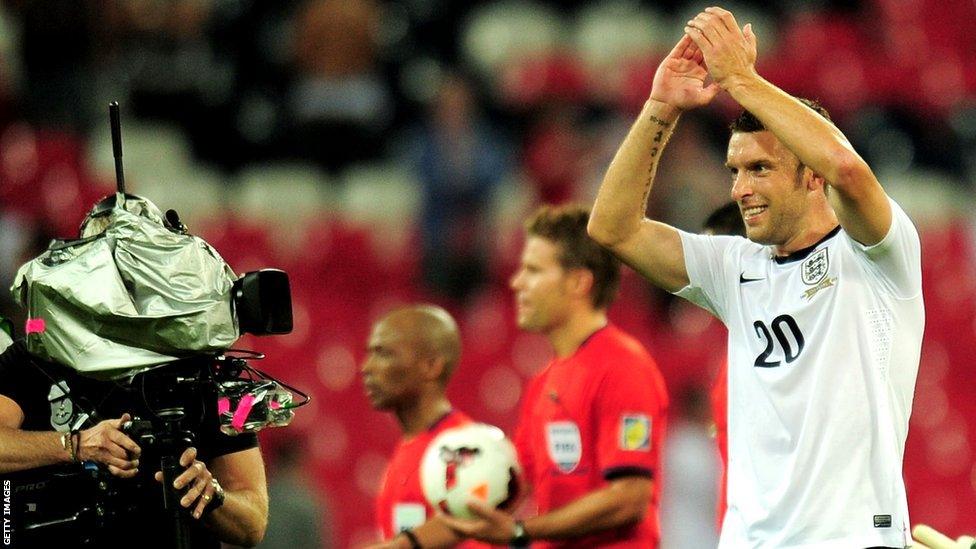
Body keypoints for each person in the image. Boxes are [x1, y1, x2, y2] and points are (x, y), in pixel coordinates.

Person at [588, 7, 923, 548]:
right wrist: (661, 108)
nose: (739, 188)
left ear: (810, 175)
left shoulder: (879, 256)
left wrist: (741, 81)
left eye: (759, 169)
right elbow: (613, 228)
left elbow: (848, 168)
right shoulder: (735, 266)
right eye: (735, 171)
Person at [0, 197, 269, 548]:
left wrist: (212, 495)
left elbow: (252, 525)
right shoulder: (39, 355)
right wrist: (74, 445)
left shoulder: (206, 372)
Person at [443, 204, 668, 548]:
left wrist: (522, 531)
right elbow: (511, 485)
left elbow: (629, 499)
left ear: (579, 282)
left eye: (533, 270)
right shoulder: (544, 382)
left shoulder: (623, 368)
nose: (517, 283)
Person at [362, 304, 490, 549]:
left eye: (384, 353)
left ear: (431, 366)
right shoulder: (409, 446)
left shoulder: (464, 450)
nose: (366, 367)